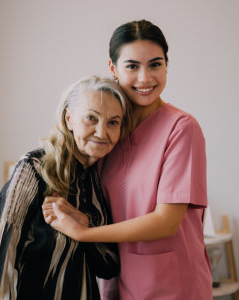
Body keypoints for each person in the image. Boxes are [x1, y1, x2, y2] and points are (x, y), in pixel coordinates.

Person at [43, 20, 213, 299]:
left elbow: (166, 221)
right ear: (113, 68)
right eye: (132, 66)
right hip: (118, 278)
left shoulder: (182, 128)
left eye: (155, 64)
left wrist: (85, 232)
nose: (145, 78)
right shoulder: (109, 131)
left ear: (166, 66)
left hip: (173, 283)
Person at [0, 75, 131, 300]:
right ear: (69, 118)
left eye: (113, 122)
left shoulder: (98, 178)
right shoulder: (34, 167)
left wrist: (84, 226)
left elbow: (109, 266)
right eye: (91, 118)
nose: (102, 132)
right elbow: (4, 252)